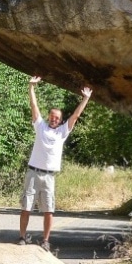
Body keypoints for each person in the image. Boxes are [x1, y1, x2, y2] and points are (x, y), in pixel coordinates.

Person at [18, 76, 92, 252]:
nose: (54, 119)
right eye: (52, 116)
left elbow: (76, 115)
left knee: (48, 210)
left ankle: (45, 241)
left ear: (60, 120)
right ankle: (22, 237)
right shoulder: (40, 127)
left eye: (57, 118)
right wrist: (31, 88)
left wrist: (86, 98)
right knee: (26, 206)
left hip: (49, 176)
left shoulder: (62, 132)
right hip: (33, 173)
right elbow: (34, 107)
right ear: (49, 117)